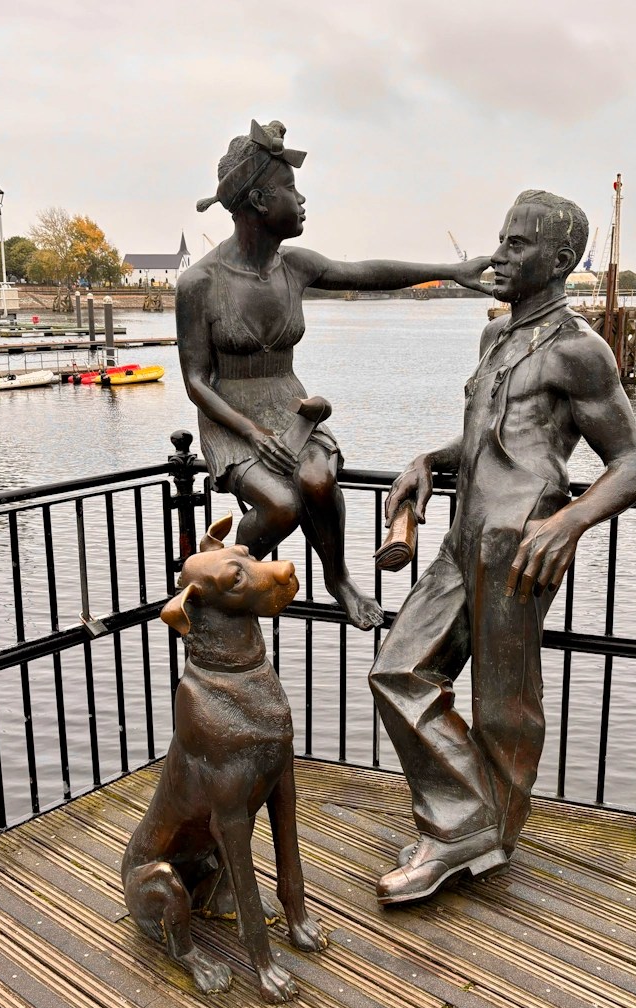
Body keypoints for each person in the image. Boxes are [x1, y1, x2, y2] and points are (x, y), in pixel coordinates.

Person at [368, 189, 636, 904]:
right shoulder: (495, 337)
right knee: (398, 669)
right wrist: (429, 463)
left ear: (559, 261)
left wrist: (568, 523)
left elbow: (633, 465)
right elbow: (486, 440)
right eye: (501, 238)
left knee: (504, 706)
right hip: (465, 534)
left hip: (521, 539)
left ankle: (470, 831)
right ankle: (468, 824)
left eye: (518, 244)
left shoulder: (579, 351)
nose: (500, 253)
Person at [176, 119, 491, 630]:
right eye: (290, 190)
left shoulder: (294, 266)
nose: (302, 201)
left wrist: (449, 270)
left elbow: (367, 273)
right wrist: (251, 434)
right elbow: (195, 382)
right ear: (258, 200)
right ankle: (214, 585)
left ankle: (337, 579)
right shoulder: (199, 283)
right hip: (233, 417)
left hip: (291, 407)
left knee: (318, 480)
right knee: (280, 506)